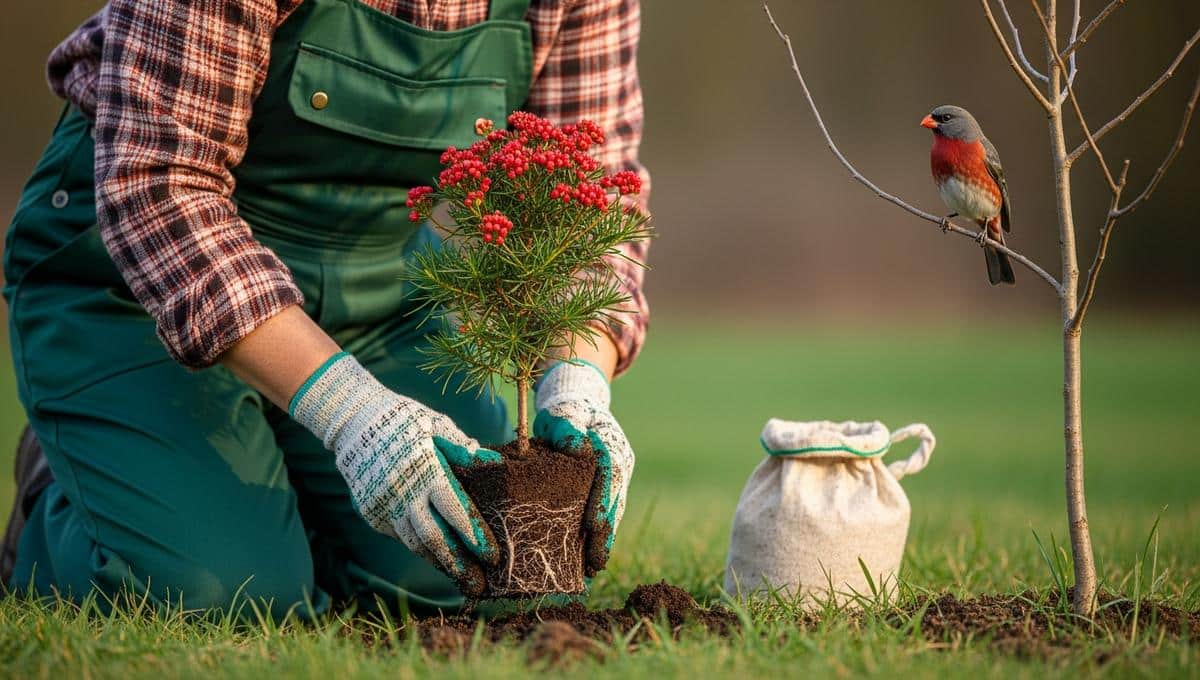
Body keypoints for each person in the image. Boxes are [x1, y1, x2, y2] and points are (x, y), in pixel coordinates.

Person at [0, 0, 649, 619]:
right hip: (138, 283)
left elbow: (589, 196)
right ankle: (64, 493)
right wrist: (352, 415)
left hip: (375, 289)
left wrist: (577, 384)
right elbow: (160, 185)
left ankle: (279, 506)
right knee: (222, 594)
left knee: (482, 564)